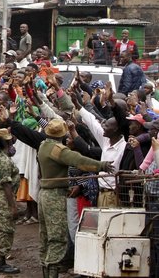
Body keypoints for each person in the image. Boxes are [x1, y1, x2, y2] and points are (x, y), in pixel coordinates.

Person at [37, 119, 112, 277]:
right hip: (55, 195)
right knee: (57, 238)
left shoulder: (44, 145)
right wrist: (102, 165)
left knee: (45, 236)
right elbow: (79, 161)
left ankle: (45, 270)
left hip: (44, 193)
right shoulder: (58, 150)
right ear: (63, 134)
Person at [0, 128, 21, 274]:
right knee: (4, 229)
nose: (10, 141)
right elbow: (6, 184)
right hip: (3, 196)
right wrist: (13, 206)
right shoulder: (2, 159)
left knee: (0, 228)